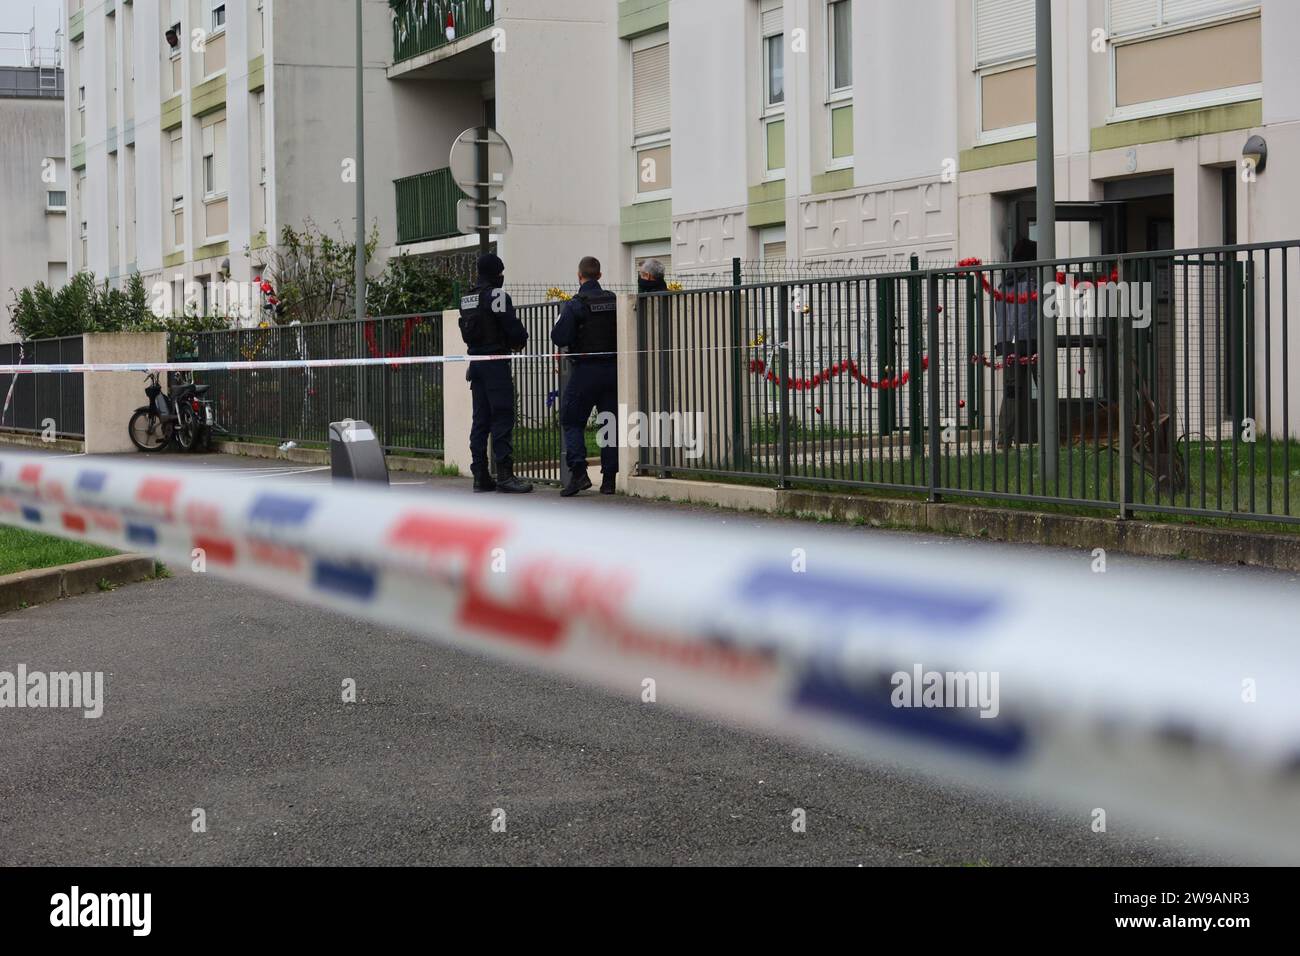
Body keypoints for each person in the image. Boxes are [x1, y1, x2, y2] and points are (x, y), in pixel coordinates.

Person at [460, 253, 533, 493]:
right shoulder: (497, 296)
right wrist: (520, 341)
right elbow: (513, 329)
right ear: (495, 273)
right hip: (495, 364)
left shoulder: (467, 298)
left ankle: (480, 475)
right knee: (502, 416)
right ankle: (504, 475)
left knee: (480, 420)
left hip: (476, 364)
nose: (502, 277)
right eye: (500, 273)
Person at [552, 256, 619, 497]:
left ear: (579, 276)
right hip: (613, 370)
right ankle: (609, 480)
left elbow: (559, 337)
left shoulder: (576, 304)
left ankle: (579, 473)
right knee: (609, 423)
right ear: (599, 276)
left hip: (585, 371)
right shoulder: (613, 300)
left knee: (572, 421)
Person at [994, 238, 1039, 449]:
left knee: (1011, 392)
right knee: (1046, 388)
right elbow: (1048, 310)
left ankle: (1004, 439)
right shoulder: (1035, 279)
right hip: (1033, 341)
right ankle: (1055, 435)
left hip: (1009, 344)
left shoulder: (1004, 282)